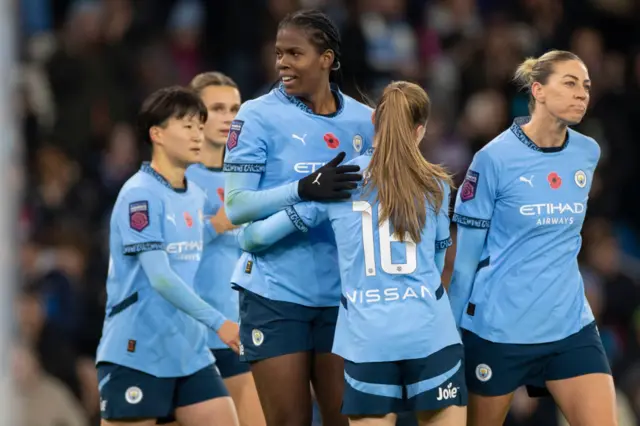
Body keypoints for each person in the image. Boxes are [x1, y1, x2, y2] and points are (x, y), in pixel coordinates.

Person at [234, 81, 467, 426]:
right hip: (430, 333)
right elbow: (436, 266)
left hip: (368, 338)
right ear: (420, 131)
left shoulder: (339, 181)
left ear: (373, 120)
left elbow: (252, 238)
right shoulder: (436, 185)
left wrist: (302, 192)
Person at [223, 9, 374, 426]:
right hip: (274, 295)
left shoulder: (365, 120)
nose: (282, 64)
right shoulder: (256, 116)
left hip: (342, 296)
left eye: (295, 53)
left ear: (326, 58)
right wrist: (303, 190)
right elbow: (236, 207)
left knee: (346, 420)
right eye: (278, 54)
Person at [448, 50, 615, 426]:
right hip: (499, 330)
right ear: (537, 91)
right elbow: (464, 265)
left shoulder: (588, 152)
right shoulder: (492, 159)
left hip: (570, 326)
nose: (582, 94)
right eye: (570, 84)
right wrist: (448, 339)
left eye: (586, 86)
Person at [96, 86, 239, 426]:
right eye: (186, 125)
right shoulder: (140, 195)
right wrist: (221, 323)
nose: (197, 135)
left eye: (199, 126)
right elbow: (159, 276)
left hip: (189, 354)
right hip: (138, 351)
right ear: (156, 134)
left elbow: (189, 239)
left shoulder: (193, 194)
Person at [186, 72, 266, 426]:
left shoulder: (247, 179)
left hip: (237, 334)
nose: (228, 117)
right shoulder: (177, 178)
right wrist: (216, 225)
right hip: (188, 337)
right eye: (216, 108)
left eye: (234, 108)